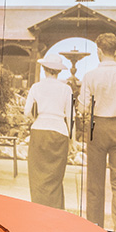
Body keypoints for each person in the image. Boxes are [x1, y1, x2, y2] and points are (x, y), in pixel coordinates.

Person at [78, 33, 116, 232]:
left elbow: (83, 107)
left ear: (99, 51)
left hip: (98, 127)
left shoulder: (90, 76)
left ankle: (94, 227)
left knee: (95, 179)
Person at [23, 55, 73, 209]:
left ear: (44, 69)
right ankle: (55, 211)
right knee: (55, 177)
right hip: (59, 132)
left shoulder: (36, 87)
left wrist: (35, 119)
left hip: (39, 131)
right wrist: (72, 140)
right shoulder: (66, 89)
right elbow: (70, 117)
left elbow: (26, 112)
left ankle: (38, 209)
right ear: (58, 71)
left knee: (37, 175)